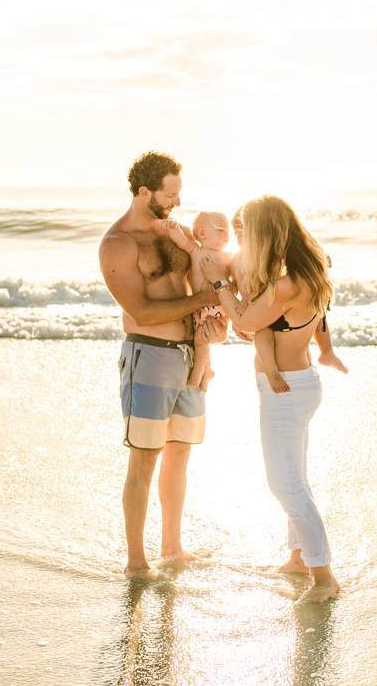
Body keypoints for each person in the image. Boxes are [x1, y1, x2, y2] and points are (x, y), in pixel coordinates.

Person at [201, 195, 342, 603]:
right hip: (298, 384)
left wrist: (219, 283)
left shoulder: (286, 283)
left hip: (285, 392)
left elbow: (245, 320)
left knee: (285, 486)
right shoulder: (309, 272)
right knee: (295, 478)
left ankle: (324, 578)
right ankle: (300, 557)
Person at [98, 151, 226, 578]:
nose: (176, 204)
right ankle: (137, 561)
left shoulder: (176, 232)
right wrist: (204, 300)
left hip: (189, 356)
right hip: (149, 356)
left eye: (178, 194)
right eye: (169, 195)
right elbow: (141, 311)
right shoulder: (118, 244)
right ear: (144, 192)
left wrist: (214, 329)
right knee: (145, 459)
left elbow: (204, 275)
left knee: (180, 455)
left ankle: (173, 547)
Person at [229, 208, 347, 394]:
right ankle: (272, 371)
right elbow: (237, 283)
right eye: (237, 237)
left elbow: (287, 265)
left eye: (243, 235)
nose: (239, 241)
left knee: (319, 310)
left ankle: (327, 352)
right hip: (258, 306)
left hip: (268, 308)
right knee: (263, 333)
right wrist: (242, 301)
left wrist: (320, 261)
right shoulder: (238, 258)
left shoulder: (268, 258)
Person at [165, 211, 234, 392]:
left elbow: (237, 284)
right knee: (202, 336)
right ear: (202, 234)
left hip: (220, 307)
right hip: (200, 307)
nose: (227, 235)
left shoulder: (228, 257)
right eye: (222, 230)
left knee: (201, 339)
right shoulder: (195, 250)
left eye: (228, 231)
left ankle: (199, 370)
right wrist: (173, 228)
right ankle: (208, 371)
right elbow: (181, 240)